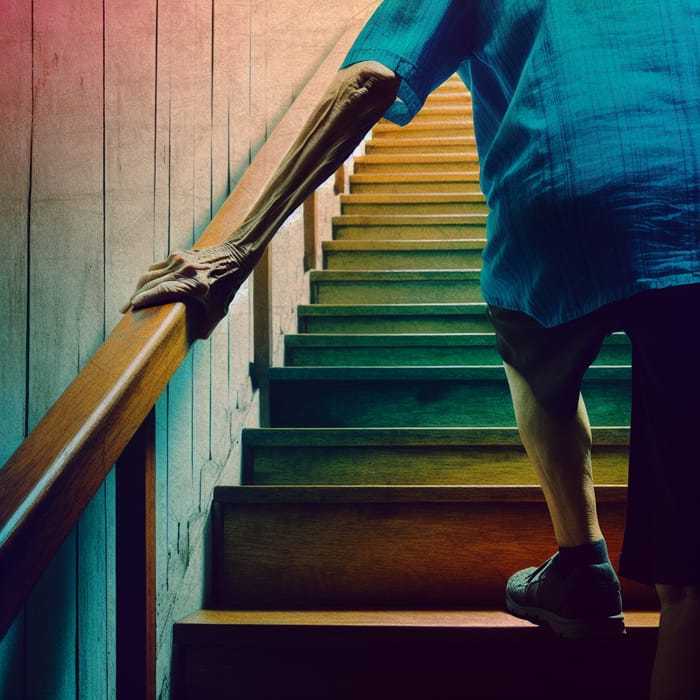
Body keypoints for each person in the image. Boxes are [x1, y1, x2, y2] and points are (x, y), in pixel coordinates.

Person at [124, 2, 700, 697]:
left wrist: (240, 248)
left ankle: (581, 566)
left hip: (564, 196)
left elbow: (371, 79)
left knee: (532, 355)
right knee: (690, 591)